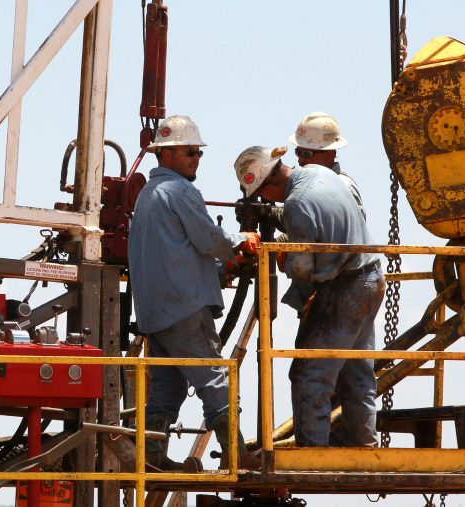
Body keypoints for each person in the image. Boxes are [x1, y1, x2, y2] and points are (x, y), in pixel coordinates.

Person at [128, 115, 261, 470]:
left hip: (154, 314)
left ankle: (153, 457)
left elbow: (175, 253)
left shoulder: (146, 197)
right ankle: (236, 454)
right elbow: (209, 238)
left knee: (167, 385)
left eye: (198, 153)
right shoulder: (180, 191)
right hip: (184, 308)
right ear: (167, 154)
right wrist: (241, 242)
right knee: (214, 376)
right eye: (190, 152)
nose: (196, 159)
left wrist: (219, 268)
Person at [233, 145, 385, 447]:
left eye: (263, 195)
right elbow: (312, 216)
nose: (265, 200)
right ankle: (364, 446)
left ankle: (312, 453)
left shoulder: (297, 203)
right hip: (371, 277)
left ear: (269, 183)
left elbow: (302, 267)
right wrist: (271, 215)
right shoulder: (317, 174)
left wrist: (276, 255)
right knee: (356, 372)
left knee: (308, 373)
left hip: (345, 289)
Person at [290, 112, 366, 220]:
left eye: (307, 154)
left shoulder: (343, 188)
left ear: (329, 154)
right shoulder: (302, 186)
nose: (300, 160)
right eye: (298, 152)